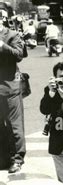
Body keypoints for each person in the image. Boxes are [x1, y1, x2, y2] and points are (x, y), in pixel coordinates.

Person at [0, 14, 25, 174]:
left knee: (14, 125)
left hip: (9, 88)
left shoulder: (12, 35)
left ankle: (17, 159)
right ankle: (4, 158)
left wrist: (3, 46)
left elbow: (19, 54)